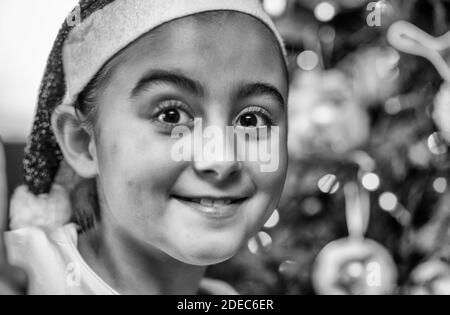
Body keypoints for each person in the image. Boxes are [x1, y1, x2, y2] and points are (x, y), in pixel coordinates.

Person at [0, 0, 289, 295]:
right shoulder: (22, 273)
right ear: (84, 142)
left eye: (252, 120)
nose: (222, 159)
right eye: (171, 116)